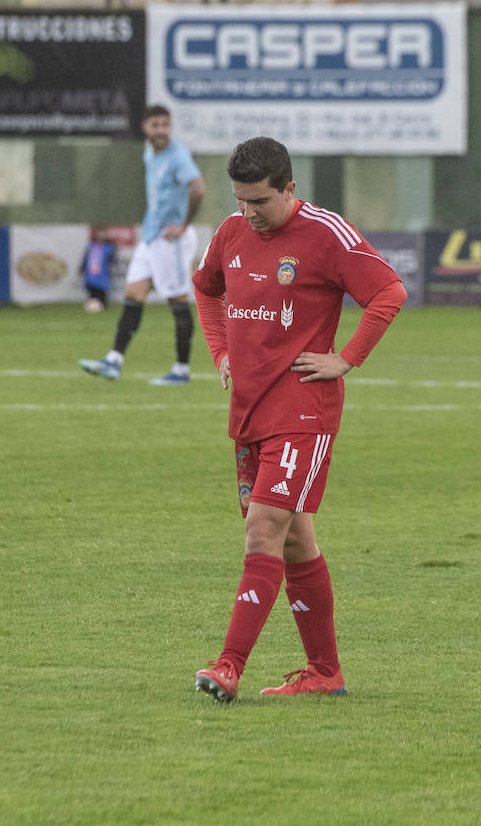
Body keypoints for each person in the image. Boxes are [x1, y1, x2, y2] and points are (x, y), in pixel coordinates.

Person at [190, 136, 407, 702]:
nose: (248, 213)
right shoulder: (231, 233)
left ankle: (229, 665)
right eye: (239, 200)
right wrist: (220, 354)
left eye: (259, 201)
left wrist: (346, 358)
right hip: (249, 413)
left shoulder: (326, 234)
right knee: (293, 543)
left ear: (290, 188)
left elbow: (388, 292)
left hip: (303, 413)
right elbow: (205, 290)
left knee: (262, 529)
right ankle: (324, 674)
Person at [80, 104, 206, 384]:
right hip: (151, 237)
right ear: (145, 127)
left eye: (165, 125)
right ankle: (113, 361)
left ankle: (182, 370)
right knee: (133, 294)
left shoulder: (178, 156)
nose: (161, 130)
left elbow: (198, 188)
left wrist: (183, 225)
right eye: (155, 125)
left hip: (171, 239)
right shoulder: (150, 154)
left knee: (177, 301)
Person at [80, 225, 116, 312]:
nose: (102, 235)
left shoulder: (109, 246)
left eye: (104, 233)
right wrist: (82, 268)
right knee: (92, 294)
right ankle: (93, 306)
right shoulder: (91, 246)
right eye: (100, 233)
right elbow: (85, 258)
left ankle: (101, 305)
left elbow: (112, 260)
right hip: (91, 276)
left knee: (102, 294)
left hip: (102, 275)